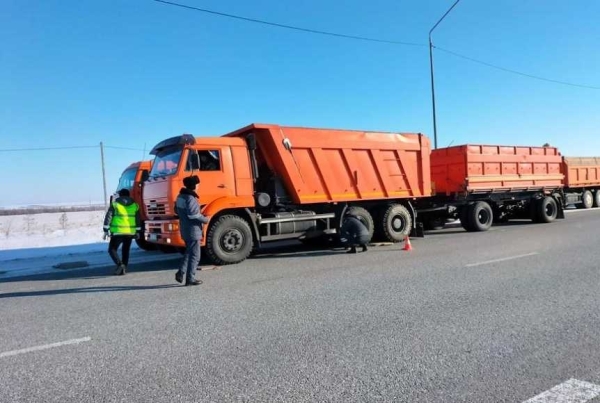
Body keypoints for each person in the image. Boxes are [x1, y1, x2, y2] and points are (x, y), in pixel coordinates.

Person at [175, 175, 209, 286]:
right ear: (194, 185)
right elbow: (193, 215)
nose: (199, 186)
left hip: (184, 228)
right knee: (195, 255)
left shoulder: (180, 196)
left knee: (189, 252)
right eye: (198, 184)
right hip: (193, 230)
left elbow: (177, 210)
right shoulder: (190, 198)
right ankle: (190, 279)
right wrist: (205, 219)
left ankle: (181, 272)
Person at [103, 188, 141, 275]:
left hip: (118, 232)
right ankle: (123, 268)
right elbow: (137, 219)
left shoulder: (115, 204)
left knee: (112, 250)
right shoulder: (135, 205)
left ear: (120, 195)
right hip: (130, 232)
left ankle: (120, 265)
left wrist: (105, 229)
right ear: (128, 195)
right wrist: (138, 231)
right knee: (125, 250)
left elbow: (108, 217)